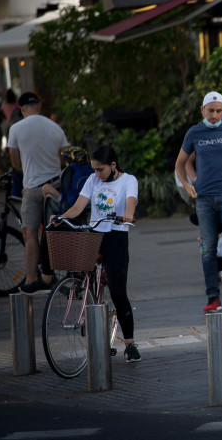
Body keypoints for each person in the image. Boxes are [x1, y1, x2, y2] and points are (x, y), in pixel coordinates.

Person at [55, 145, 141, 362]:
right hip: (94, 234)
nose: (96, 174)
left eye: (100, 170)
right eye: (94, 169)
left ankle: (130, 344)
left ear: (113, 166)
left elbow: (131, 201)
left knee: (118, 292)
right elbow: (78, 207)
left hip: (116, 235)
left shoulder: (128, 180)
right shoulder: (92, 180)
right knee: (77, 263)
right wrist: (61, 217)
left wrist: (128, 215)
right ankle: (82, 292)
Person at [175, 91, 222, 313]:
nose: (215, 115)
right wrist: (188, 184)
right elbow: (180, 164)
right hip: (204, 199)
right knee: (207, 248)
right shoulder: (194, 133)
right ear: (202, 110)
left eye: (219, 111)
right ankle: (213, 296)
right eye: (211, 111)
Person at [8, 92, 69, 295]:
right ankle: (55, 274)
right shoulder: (55, 127)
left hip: (33, 188)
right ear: (39, 105)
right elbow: (66, 156)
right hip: (54, 185)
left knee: (30, 233)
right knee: (54, 231)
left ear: (22, 109)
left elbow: (15, 163)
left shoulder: (16, 128)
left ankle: (33, 279)